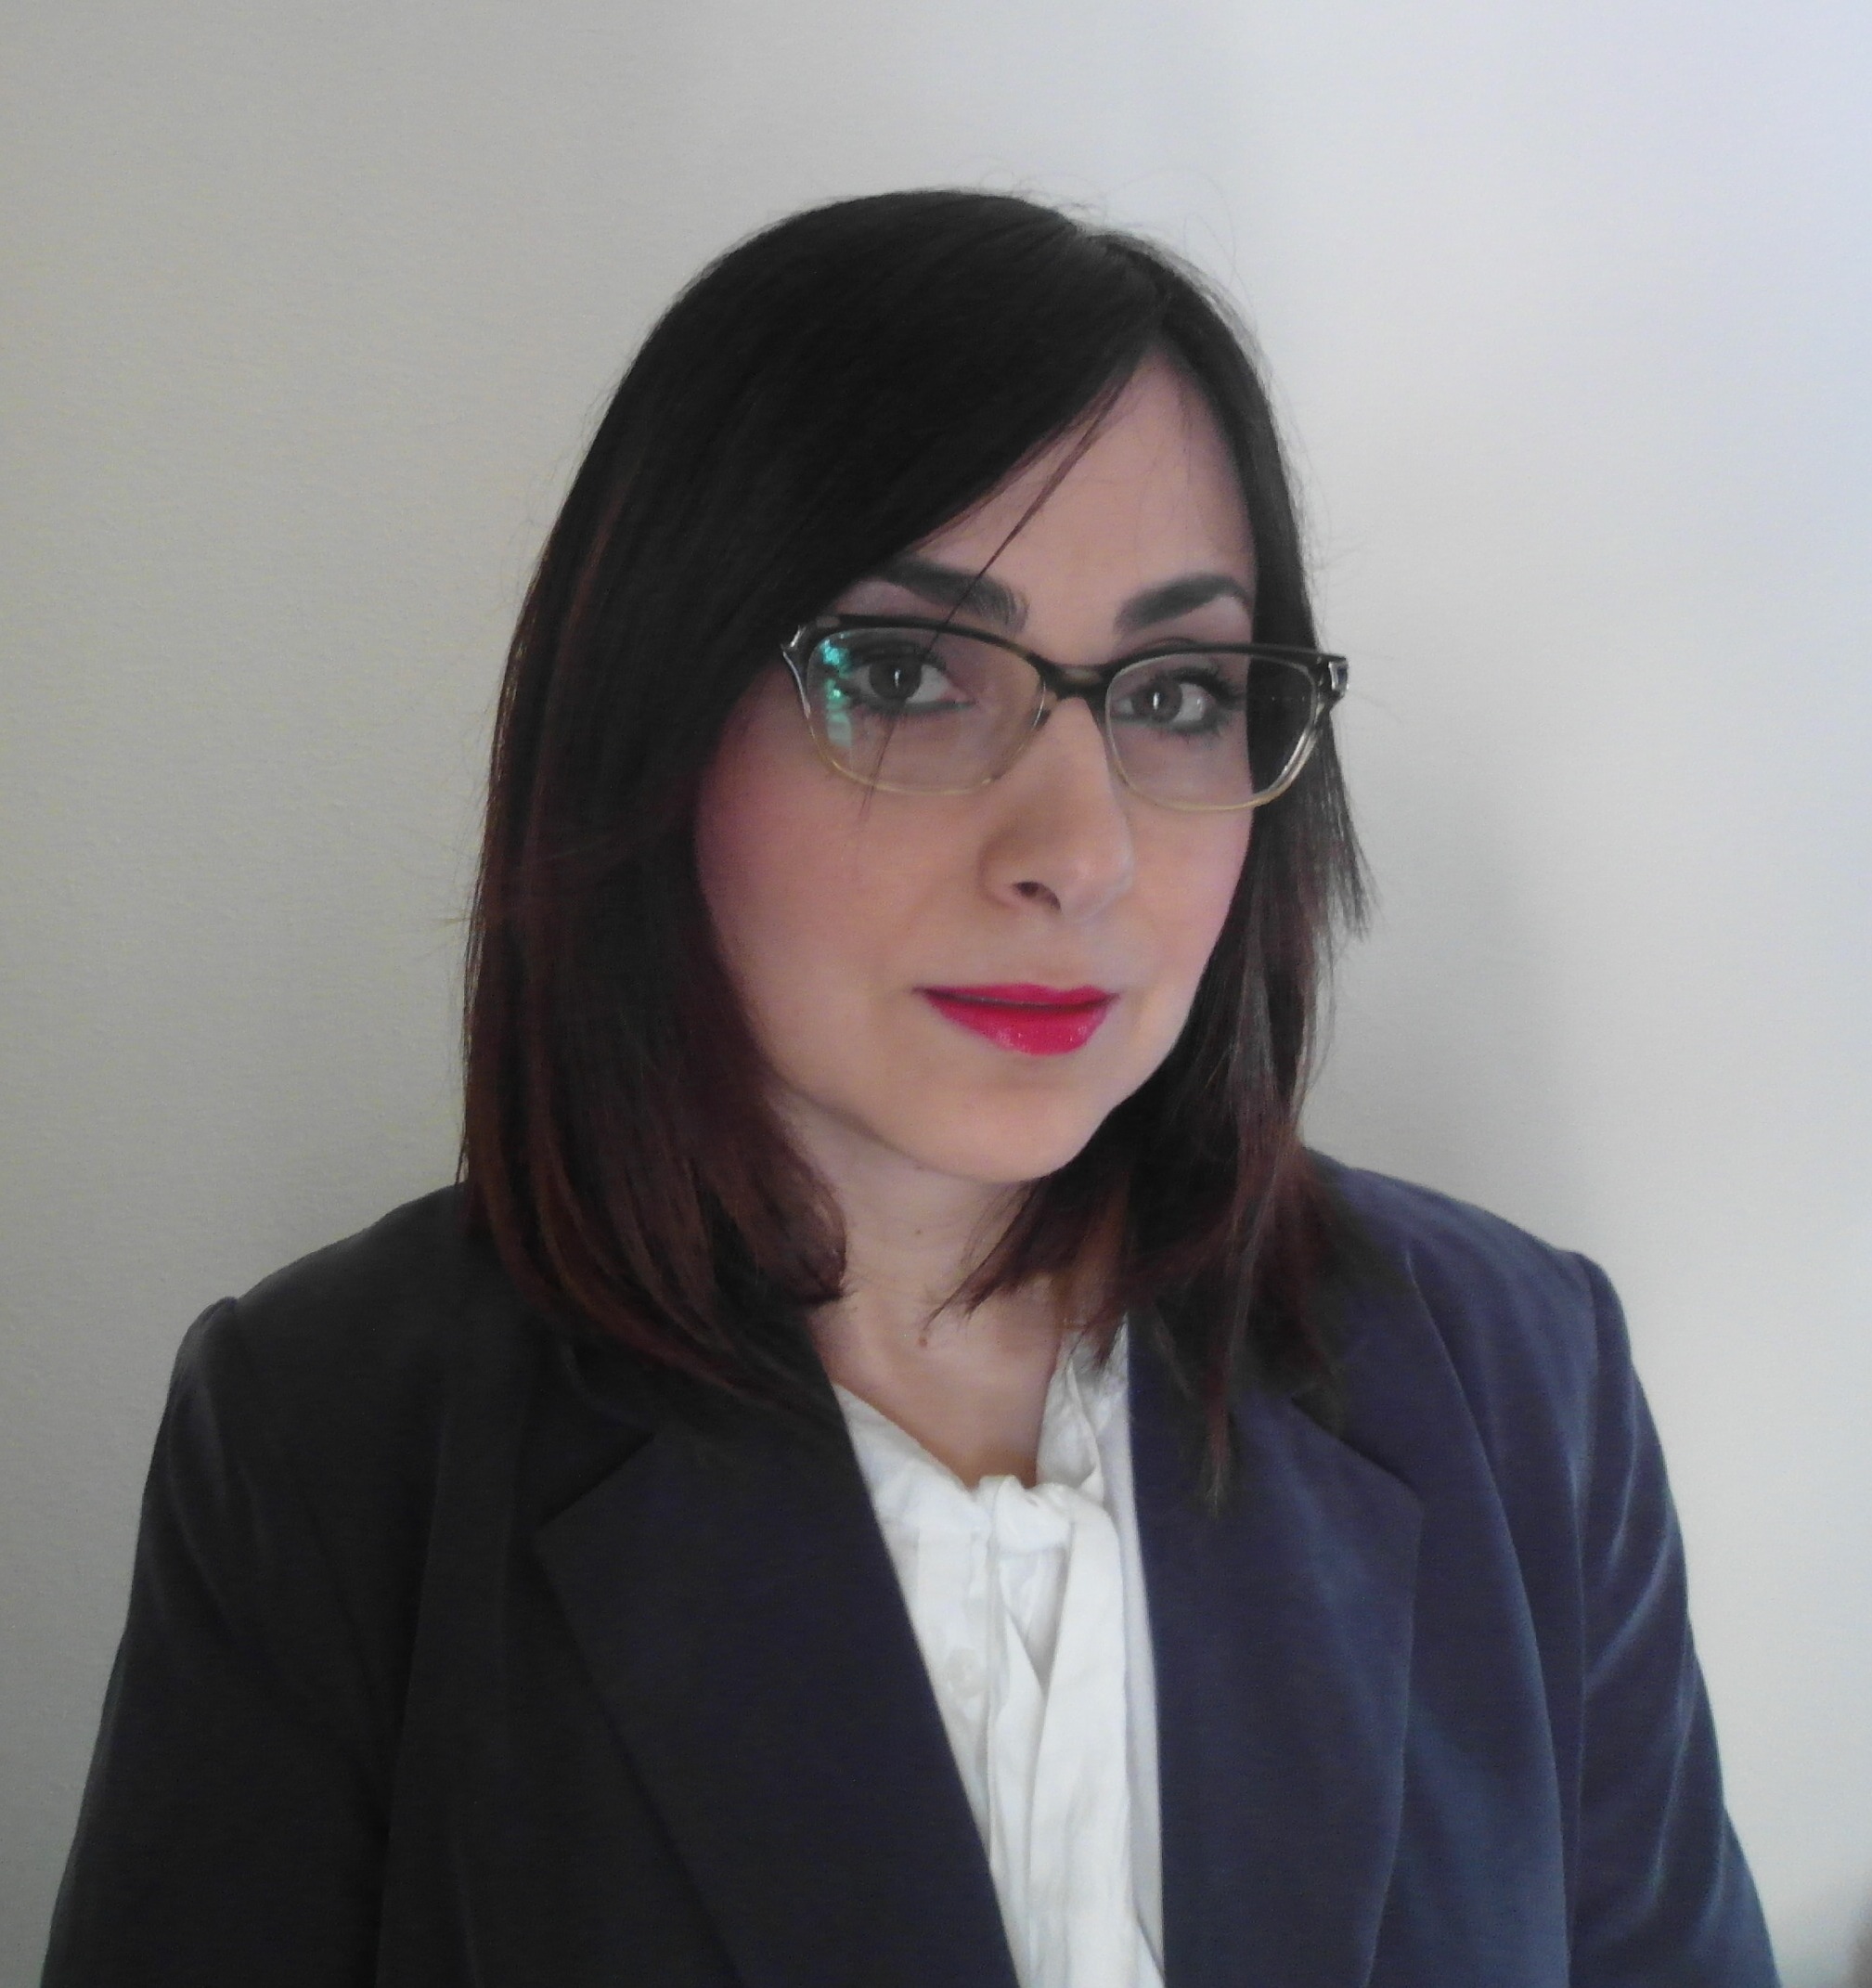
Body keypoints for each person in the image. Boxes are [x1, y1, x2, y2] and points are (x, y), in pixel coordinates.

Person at [42, 189, 1778, 1988]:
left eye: (1177, 692)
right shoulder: (337, 1440)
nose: (1079, 850)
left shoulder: (1515, 1376)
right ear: (649, 713)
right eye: (900, 675)